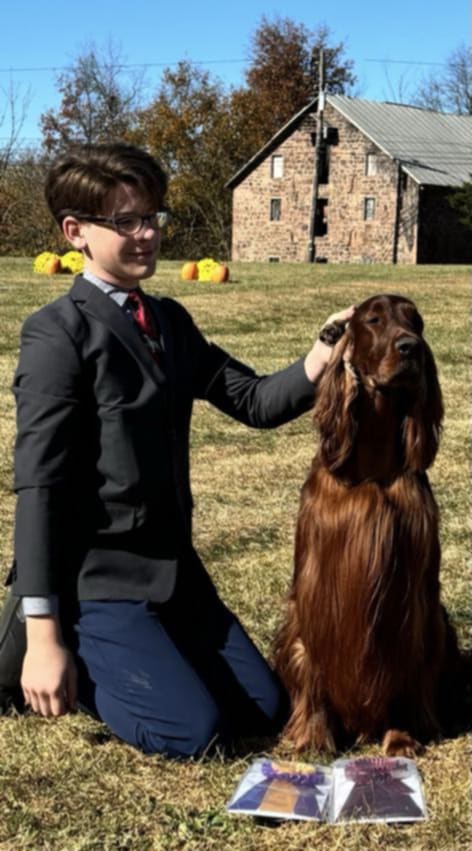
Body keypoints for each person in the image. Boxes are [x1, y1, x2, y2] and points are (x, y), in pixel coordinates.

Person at [0, 143, 354, 757]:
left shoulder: (169, 321)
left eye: (153, 217)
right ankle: (75, 658)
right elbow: (40, 485)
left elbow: (253, 401)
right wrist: (45, 636)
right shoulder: (58, 333)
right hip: (99, 582)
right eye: (127, 221)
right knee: (191, 733)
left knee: (263, 708)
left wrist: (321, 355)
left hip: (173, 572)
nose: (147, 234)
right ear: (75, 232)